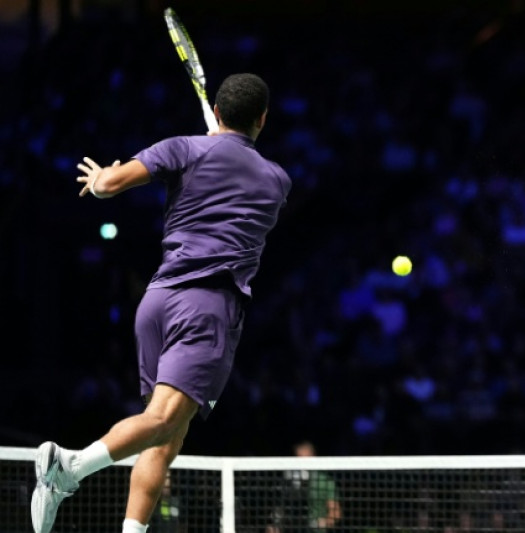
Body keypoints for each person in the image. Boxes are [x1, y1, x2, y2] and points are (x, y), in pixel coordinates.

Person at [31, 73, 291, 533]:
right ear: (263, 119)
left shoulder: (183, 148)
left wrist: (98, 180)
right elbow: (236, 185)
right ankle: (68, 468)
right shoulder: (277, 180)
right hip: (207, 307)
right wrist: (218, 146)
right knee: (162, 420)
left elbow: (110, 186)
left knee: (166, 434)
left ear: (216, 110)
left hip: (157, 302)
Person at [265, 440, 342, 532]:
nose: (301, 463)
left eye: (304, 458)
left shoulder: (324, 481)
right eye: (298, 458)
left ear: (313, 457)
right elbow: (281, 508)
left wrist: (323, 522)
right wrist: (275, 525)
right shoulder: (288, 479)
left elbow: (335, 513)